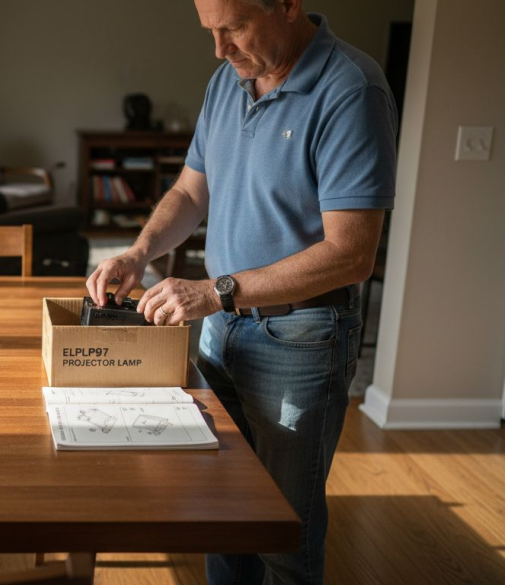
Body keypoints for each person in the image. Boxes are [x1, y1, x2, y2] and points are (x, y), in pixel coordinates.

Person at [86, 0, 397, 583]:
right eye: (210, 30)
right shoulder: (227, 81)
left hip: (300, 338)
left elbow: (352, 254)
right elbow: (189, 192)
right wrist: (139, 252)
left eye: (233, 28)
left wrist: (214, 291)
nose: (219, 48)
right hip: (222, 328)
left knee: (282, 530)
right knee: (219, 511)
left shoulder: (351, 91)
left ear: (287, 6)